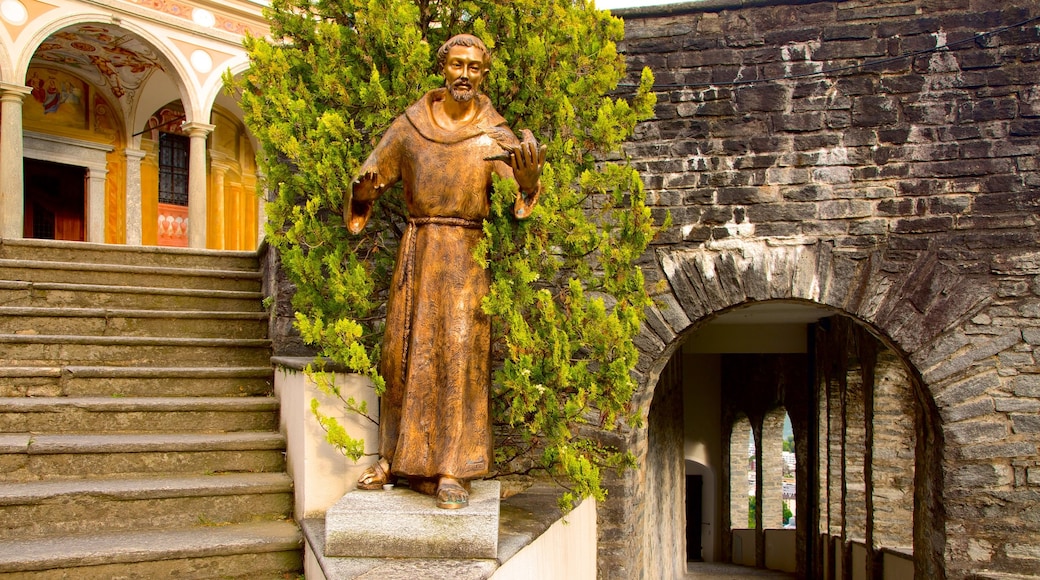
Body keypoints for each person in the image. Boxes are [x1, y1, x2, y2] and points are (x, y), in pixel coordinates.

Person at [345, 34, 546, 509]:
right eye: (457, 65)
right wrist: (364, 190)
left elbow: (521, 191)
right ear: (444, 68)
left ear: (483, 75)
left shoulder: (493, 132)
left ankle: (454, 468)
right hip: (417, 249)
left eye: (474, 68)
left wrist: (528, 181)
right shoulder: (410, 126)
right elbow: (371, 174)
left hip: (465, 253)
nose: (465, 75)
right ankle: (395, 458)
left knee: (459, 358)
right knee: (402, 354)